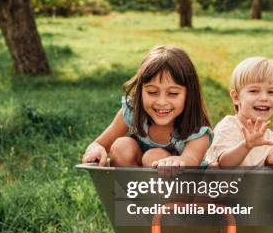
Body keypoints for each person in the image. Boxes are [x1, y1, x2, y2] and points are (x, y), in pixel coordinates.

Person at [82, 45, 213, 169]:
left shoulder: (197, 129)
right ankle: (132, 192)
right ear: (141, 91)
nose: (161, 102)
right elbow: (98, 144)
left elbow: (191, 160)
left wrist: (178, 162)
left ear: (190, 94)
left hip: (180, 186)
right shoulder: (133, 112)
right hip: (137, 182)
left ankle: (151, 192)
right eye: (152, 92)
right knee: (121, 146)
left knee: (153, 157)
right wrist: (96, 149)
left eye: (173, 93)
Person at [206, 56, 273, 167]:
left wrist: (269, 160)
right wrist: (246, 145)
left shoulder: (268, 136)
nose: (264, 98)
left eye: (271, 92)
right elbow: (225, 164)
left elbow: (266, 164)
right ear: (236, 98)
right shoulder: (228, 127)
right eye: (254, 91)